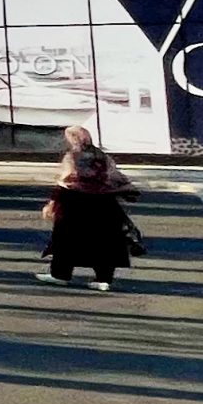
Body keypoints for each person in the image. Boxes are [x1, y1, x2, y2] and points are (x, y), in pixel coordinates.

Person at [42, 123, 140, 291]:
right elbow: (115, 177)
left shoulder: (73, 156)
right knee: (104, 241)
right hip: (104, 204)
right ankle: (103, 279)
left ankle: (60, 274)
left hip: (74, 203)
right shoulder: (102, 156)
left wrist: (52, 202)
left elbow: (67, 180)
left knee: (66, 239)